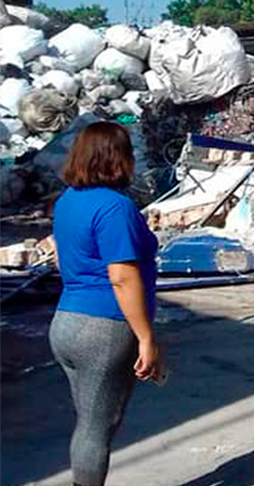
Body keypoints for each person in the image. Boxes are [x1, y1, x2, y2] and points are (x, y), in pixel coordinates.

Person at [49, 121, 161, 486]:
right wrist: (146, 337)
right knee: (96, 430)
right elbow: (121, 276)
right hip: (104, 326)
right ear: (119, 158)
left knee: (88, 423)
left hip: (66, 321)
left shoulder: (68, 201)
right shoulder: (115, 208)